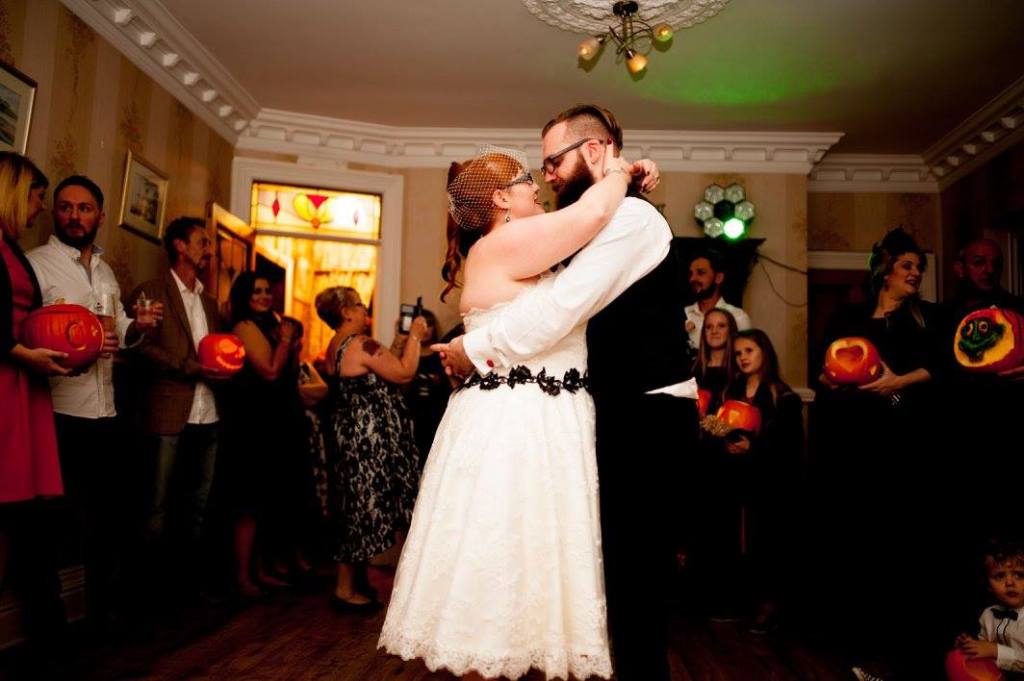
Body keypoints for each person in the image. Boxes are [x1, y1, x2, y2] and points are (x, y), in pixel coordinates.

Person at [387, 104, 687, 681]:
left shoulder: (626, 218)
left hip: (636, 409)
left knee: (615, 573)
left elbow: (560, 307)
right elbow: (558, 302)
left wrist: (474, 348)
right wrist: (624, 170)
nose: (543, 177)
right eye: (532, 173)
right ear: (501, 199)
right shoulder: (529, 238)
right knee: (523, 566)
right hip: (532, 418)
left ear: (594, 150)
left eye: (550, 162)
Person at [26, 174, 161, 632]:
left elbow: (117, 328)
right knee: (50, 523)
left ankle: (102, 617)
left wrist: (138, 326)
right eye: (65, 207)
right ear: (54, 212)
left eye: (84, 208)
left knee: (108, 520)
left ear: (100, 216)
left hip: (106, 411)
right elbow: (25, 333)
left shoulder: (105, 272)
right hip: (60, 412)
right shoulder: (36, 265)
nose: (74, 216)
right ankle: (49, 627)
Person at [814, 227, 948, 679]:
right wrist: (831, 379)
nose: (916, 273)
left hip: (904, 444)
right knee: (859, 539)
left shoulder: (926, 319)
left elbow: (942, 369)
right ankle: (858, 638)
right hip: (855, 443)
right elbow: (824, 370)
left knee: (902, 541)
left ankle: (904, 643)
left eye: (920, 267)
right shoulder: (848, 317)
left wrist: (897, 382)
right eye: (907, 265)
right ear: (885, 271)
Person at [127, 217, 223, 594]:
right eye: (203, 242)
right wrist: (189, 367)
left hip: (208, 413)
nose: (209, 250)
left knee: (198, 502)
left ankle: (185, 586)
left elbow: (216, 352)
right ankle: (149, 591)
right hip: (167, 414)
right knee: (157, 504)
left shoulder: (210, 302)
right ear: (180, 246)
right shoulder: (151, 291)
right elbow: (141, 346)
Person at [317, 286, 423, 613]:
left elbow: (383, 367)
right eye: (360, 305)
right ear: (346, 312)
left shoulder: (337, 345)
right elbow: (403, 373)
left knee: (354, 505)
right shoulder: (360, 343)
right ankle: (345, 590)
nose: (366, 310)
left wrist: (399, 341)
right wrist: (416, 336)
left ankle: (356, 582)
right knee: (361, 510)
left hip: (351, 437)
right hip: (368, 443)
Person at [0, 153, 69, 658]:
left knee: (20, 511)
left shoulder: (9, 247)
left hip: (21, 385)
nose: (38, 208)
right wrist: (22, 353)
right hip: (7, 382)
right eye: (36, 197)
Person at [221, 273, 308, 597]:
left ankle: (262, 570)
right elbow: (270, 371)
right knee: (248, 501)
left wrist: (292, 345)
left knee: (266, 500)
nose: (263, 295)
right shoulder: (244, 326)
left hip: (275, 421)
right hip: (252, 421)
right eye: (256, 291)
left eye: (266, 290)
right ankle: (243, 577)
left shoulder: (272, 324)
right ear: (244, 295)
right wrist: (285, 341)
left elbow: (289, 371)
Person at [723, 329, 803, 634]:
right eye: (738, 353)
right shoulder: (732, 390)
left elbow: (789, 444)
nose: (742, 358)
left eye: (749, 351)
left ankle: (770, 606)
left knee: (769, 542)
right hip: (738, 478)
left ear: (764, 353)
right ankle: (743, 599)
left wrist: (753, 447)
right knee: (742, 541)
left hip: (770, 483)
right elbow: (723, 424)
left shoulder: (782, 395)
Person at [391, 309, 452, 467]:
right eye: (421, 324)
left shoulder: (442, 354)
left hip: (436, 415)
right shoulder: (408, 356)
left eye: (429, 324)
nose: (425, 329)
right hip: (410, 415)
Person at [954, 538, 1024, 674]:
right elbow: (985, 649)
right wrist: (971, 647)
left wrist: (996, 650)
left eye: (1019, 575)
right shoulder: (988, 615)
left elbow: (992, 650)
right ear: (988, 585)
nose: (1010, 582)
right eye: (999, 576)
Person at [684, 250, 751, 352]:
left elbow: (746, 355)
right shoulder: (684, 314)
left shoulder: (737, 316)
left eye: (700, 273)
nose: (692, 279)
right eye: (691, 274)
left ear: (718, 278)